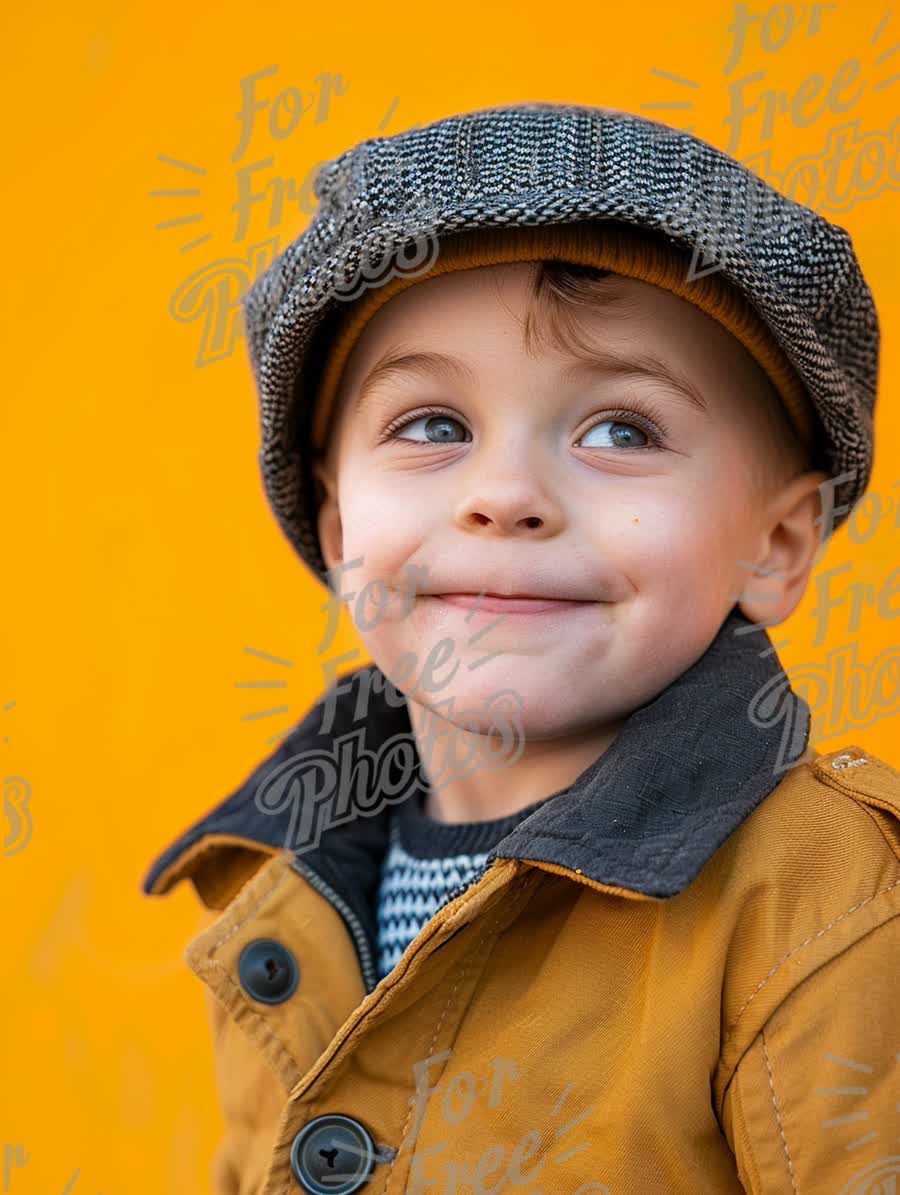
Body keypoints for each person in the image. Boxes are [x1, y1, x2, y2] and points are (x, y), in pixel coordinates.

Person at [143, 103, 900, 1194]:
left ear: (777, 545)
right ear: (341, 525)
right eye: (433, 425)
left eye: (621, 431)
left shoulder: (822, 909)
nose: (504, 497)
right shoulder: (284, 876)